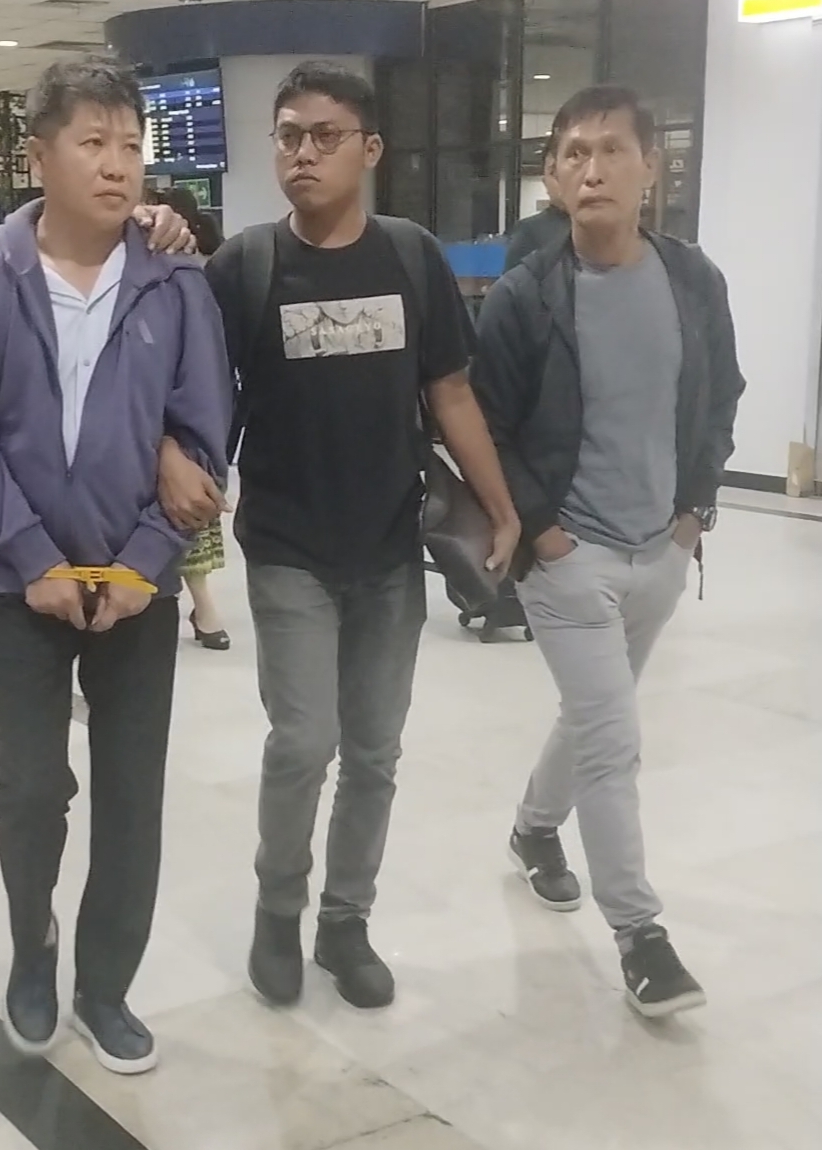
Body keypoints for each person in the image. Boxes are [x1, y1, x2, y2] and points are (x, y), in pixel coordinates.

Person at [159, 61, 519, 1010]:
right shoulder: (247, 266)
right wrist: (176, 461)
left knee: (374, 752)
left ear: (370, 150)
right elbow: (191, 389)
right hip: (288, 547)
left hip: (391, 548)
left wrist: (501, 505)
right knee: (302, 741)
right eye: (288, 135)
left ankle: (345, 921)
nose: (304, 153)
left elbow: (449, 391)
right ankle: (278, 913)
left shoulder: (410, 256)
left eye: (325, 135)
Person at [0, 58, 231, 1075]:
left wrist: (146, 561)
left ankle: (106, 987)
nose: (116, 165)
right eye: (92, 143)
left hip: (138, 584)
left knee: (131, 796)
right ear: (38, 156)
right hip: (23, 585)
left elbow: (204, 433)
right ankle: (33, 948)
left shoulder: (175, 281)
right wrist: (28, 556)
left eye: (130, 145)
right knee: (28, 789)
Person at [470, 86, 745, 1019]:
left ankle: (532, 829)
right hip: (569, 559)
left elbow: (719, 393)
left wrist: (694, 510)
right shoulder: (526, 297)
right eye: (573, 155)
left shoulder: (692, 280)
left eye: (612, 151)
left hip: (660, 549)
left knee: (596, 716)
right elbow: (488, 426)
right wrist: (543, 531)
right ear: (552, 177)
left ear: (649, 169)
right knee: (614, 739)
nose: (592, 170)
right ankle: (641, 934)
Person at [161, 186, 230, 650]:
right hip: (159, 415)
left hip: (187, 412)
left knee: (191, 512)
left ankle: (204, 607)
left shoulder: (191, 270)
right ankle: (203, 609)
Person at [503, 135, 570, 273]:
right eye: (553, 172)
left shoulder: (603, 226)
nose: (561, 179)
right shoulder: (528, 230)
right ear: (544, 182)